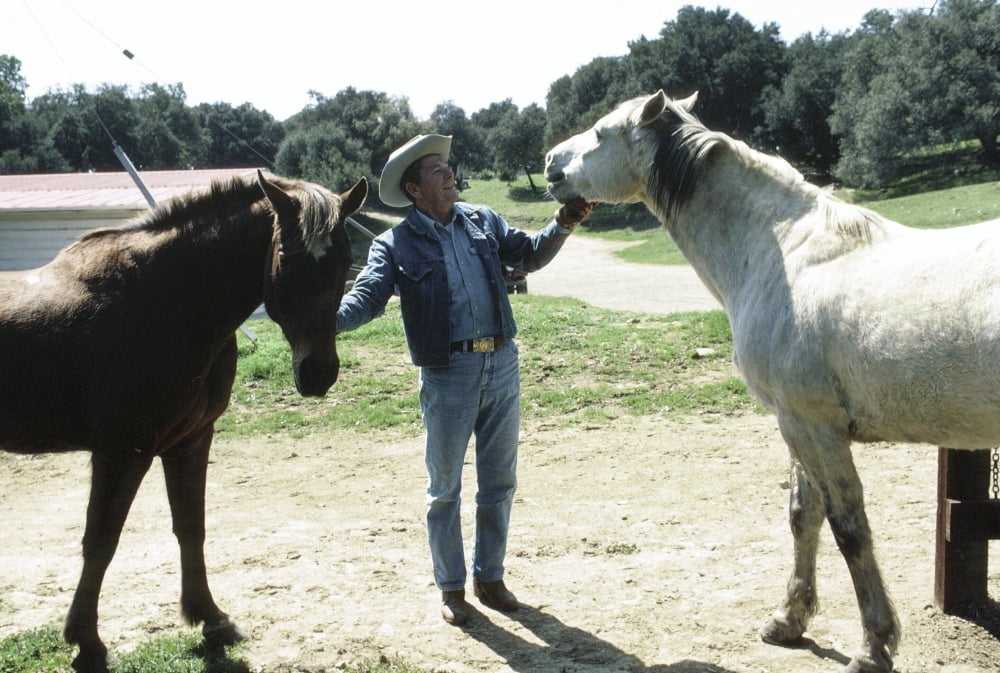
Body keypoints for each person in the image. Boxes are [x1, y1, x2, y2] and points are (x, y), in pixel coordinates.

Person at [336, 134, 594, 626]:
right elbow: (365, 300)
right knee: (445, 490)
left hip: (502, 364)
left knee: (499, 481)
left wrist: (563, 222)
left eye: (446, 167)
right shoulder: (393, 244)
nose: (448, 173)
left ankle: (490, 578)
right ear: (414, 190)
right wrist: (319, 324)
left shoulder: (483, 221)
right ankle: (452, 589)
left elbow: (531, 254)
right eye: (436, 170)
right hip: (447, 374)